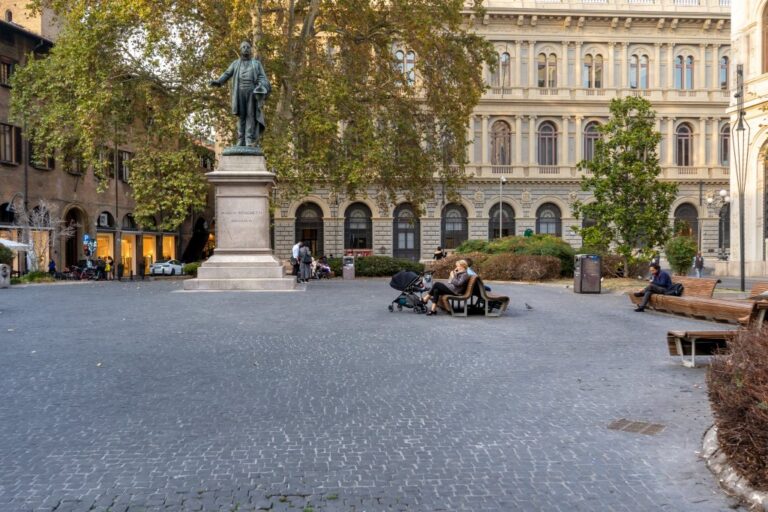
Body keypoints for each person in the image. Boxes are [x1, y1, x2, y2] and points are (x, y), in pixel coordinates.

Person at [209, 41, 271, 148]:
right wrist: (218, 82)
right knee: (241, 116)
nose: (246, 49)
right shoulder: (235, 64)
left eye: (248, 47)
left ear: (251, 49)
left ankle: (249, 139)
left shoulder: (256, 64)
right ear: (240, 50)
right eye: (243, 47)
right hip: (239, 93)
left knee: (250, 115)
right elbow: (227, 74)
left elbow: (262, 78)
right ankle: (241, 139)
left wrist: (262, 85)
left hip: (252, 93)